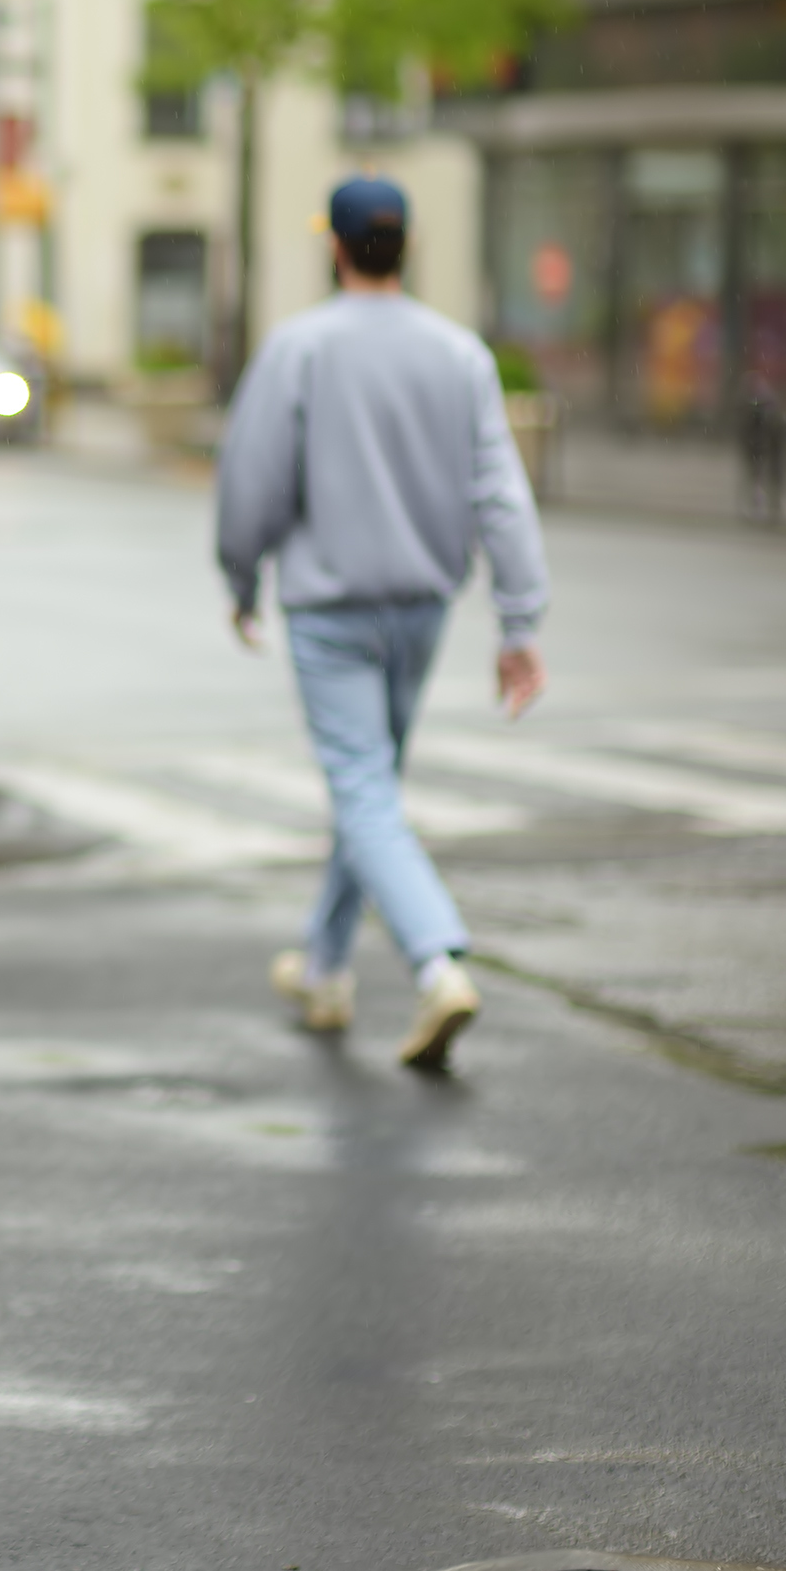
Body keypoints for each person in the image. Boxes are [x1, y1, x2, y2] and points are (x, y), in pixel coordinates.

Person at [214, 177, 551, 1072]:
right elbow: (500, 492)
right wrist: (519, 622)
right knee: (369, 791)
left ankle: (437, 963)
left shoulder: (301, 347)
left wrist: (240, 577)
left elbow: (252, 479)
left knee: (363, 790)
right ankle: (324, 967)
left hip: (330, 608)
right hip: (422, 608)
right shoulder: (460, 354)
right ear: (406, 246)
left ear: (337, 246)